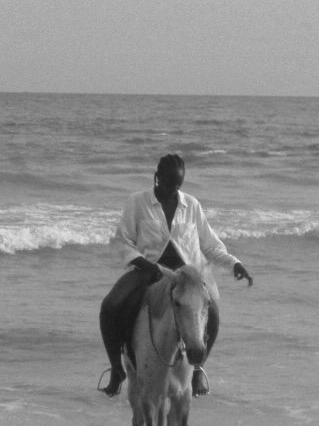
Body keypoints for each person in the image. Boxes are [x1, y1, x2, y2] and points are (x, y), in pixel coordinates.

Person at [97, 153, 253, 398]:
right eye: (168, 184)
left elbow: (210, 245)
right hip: (148, 270)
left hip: (187, 276)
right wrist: (145, 265)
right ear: (157, 178)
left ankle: (198, 369)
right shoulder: (137, 202)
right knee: (110, 306)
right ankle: (117, 370)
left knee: (212, 313)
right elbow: (122, 241)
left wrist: (234, 264)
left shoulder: (192, 205)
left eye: (177, 185)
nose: (172, 190)